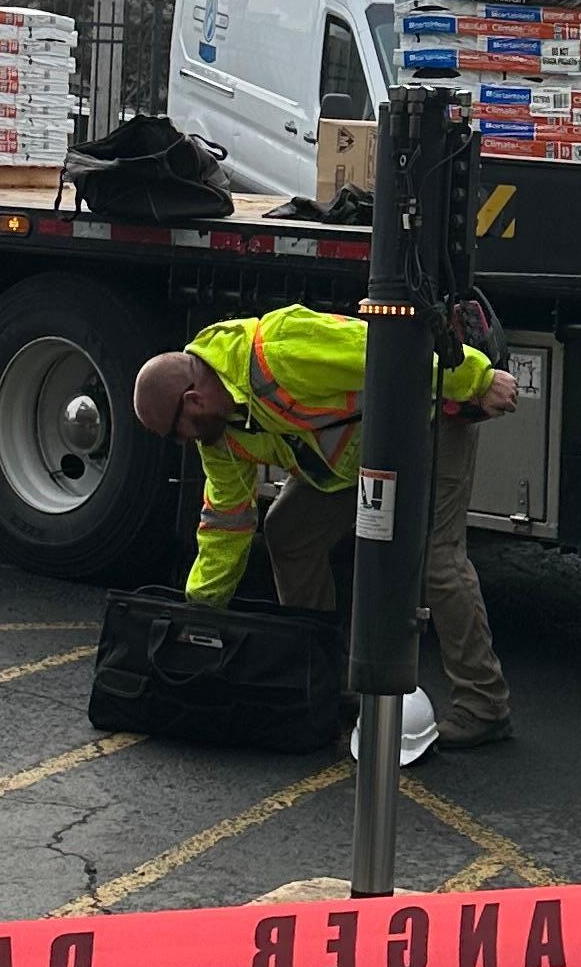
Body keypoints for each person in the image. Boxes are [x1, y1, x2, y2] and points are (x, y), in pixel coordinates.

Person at [131, 305, 519, 747]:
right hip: (352, 459)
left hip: (423, 422)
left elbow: (387, 353)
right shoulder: (220, 435)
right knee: (288, 533)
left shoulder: (277, 351)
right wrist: (200, 608)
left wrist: (478, 380)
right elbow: (226, 524)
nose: (182, 442)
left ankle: (484, 705)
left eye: (174, 432)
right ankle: (326, 680)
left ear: (193, 401)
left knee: (435, 559)